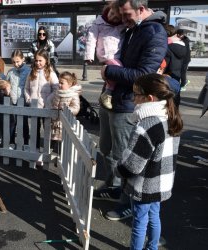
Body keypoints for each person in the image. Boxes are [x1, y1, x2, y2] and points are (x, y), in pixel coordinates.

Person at [95, 0, 168, 221]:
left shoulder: (154, 32)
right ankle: (117, 188)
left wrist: (109, 71)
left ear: (142, 9)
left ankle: (127, 203)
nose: (123, 19)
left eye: (126, 14)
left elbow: (144, 75)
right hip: (114, 100)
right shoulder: (133, 29)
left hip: (128, 104)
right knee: (107, 149)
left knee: (124, 156)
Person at [116, 73, 183, 250]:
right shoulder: (171, 118)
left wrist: (118, 170)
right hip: (161, 183)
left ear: (149, 98)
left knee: (139, 223)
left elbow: (132, 165)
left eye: (136, 94)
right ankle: (152, 247)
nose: (133, 99)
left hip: (144, 185)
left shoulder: (146, 125)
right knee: (154, 216)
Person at [84, 0, 124, 110]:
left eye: (116, 17)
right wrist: (89, 56)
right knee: (118, 69)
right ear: (108, 9)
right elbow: (91, 39)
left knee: (117, 70)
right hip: (105, 53)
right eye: (112, 14)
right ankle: (108, 93)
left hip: (117, 53)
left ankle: (108, 90)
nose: (112, 18)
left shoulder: (122, 25)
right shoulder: (99, 22)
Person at [24, 49, 59, 150]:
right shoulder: (31, 73)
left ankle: (46, 149)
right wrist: (28, 98)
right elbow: (26, 88)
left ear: (46, 60)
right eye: (36, 60)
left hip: (46, 107)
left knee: (47, 128)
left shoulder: (51, 73)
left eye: (40, 60)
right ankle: (35, 148)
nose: (38, 63)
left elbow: (56, 89)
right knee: (35, 129)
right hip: (34, 106)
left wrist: (48, 99)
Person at [46, 71, 81, 153]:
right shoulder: (57, 92)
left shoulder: (73, 94)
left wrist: (67, 110)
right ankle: (53, 155)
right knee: (53, 140)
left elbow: (76, 107)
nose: (59, 85)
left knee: (63, 141)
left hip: (65, 122)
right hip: (55, 121)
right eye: (59, 82)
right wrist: (50, 108)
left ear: (70, 84)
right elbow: (49, 100)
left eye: (62, 83)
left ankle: (60, 157)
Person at [5, 49, 31, 146]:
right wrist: (6, 87)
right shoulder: (11, 72)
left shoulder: (29, 71)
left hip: (23, 100)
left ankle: (26, 143)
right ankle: (11, 142)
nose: (16, 64)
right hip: (13, 100)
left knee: (24, 123)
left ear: (23, 59)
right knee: (13, 122)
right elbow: (6, 83)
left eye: (18, 61)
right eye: (13, 62)